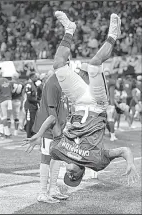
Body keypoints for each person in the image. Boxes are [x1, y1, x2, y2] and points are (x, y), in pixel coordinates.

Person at [23, 11, 139, 188]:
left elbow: (53, 121)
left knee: (58, 66)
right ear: (80, 174)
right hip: (98, 106)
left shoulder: (59, 151)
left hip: (78, 102)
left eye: (68, 176)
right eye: (72, 176)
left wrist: (38, 134)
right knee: (93, 65)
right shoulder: (97, 163)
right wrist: (130, 163)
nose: (69, 173)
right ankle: (113, 34)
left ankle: (69, 29)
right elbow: (123, 150)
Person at [31, 69, 69, 204]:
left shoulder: (61, 84)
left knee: (57, 158)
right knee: (46, 159)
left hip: (58, 129)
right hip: (50, 129)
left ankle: (52, 189)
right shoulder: (52, 84)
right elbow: (51, 111)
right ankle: (42, 192)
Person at [0, 69, 12, 139]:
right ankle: (7, 132)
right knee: (7, 117)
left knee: (1, 117)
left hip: (1, 101)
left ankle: (4, 133)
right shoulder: (7, 80)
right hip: (9, 100)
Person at [105, 68, 119, 141]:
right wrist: (112, 105)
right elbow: (111, 95)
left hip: (99, 103)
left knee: (103, 120)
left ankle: (110, 133)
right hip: (108, 103)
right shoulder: (111, 81)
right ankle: (112, 136)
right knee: (110, 119)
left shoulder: (100, 81)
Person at [24, 72, 39, 138]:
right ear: (32, 77)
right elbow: (29, 97)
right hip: (29, 106)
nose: (37, 78)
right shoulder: (28, 85)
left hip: (34, 105)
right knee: (29, 121)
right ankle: (28, 136)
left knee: (33, 120)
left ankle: (32, 133)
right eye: (35, 77)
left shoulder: (34, 84)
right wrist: (38, 101)